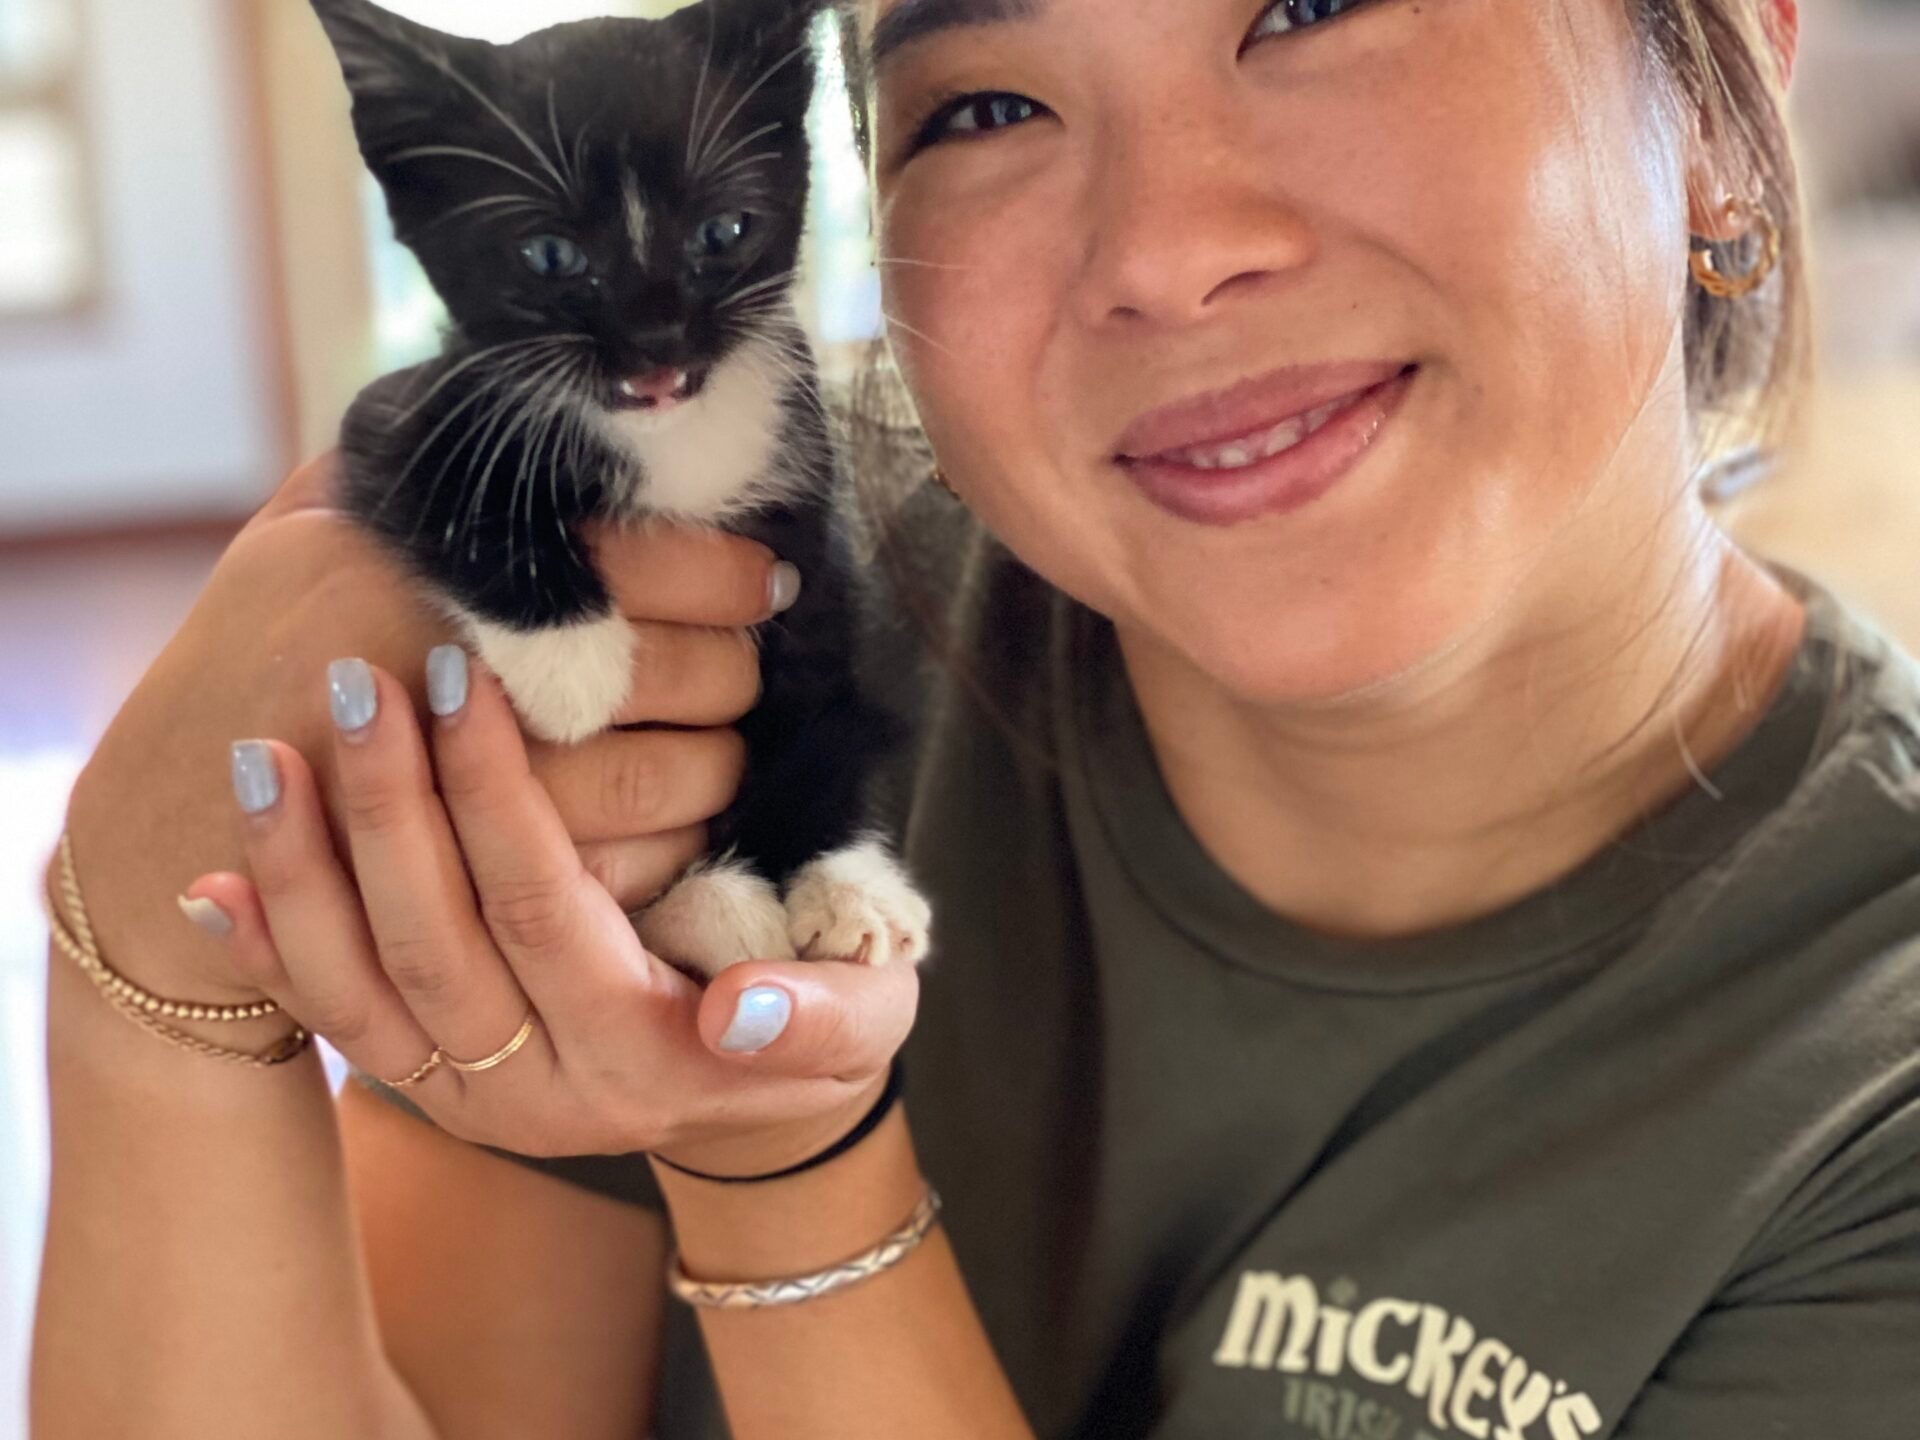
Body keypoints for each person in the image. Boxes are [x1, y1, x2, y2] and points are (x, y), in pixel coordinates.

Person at [32, 0, 1920, 1436]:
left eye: (1312, 4)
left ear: (1723, 76)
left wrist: (778, 1167)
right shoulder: (737, 659)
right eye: (989, 105)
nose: (1166, 251)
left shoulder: (1865, 1074)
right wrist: (146, 991)